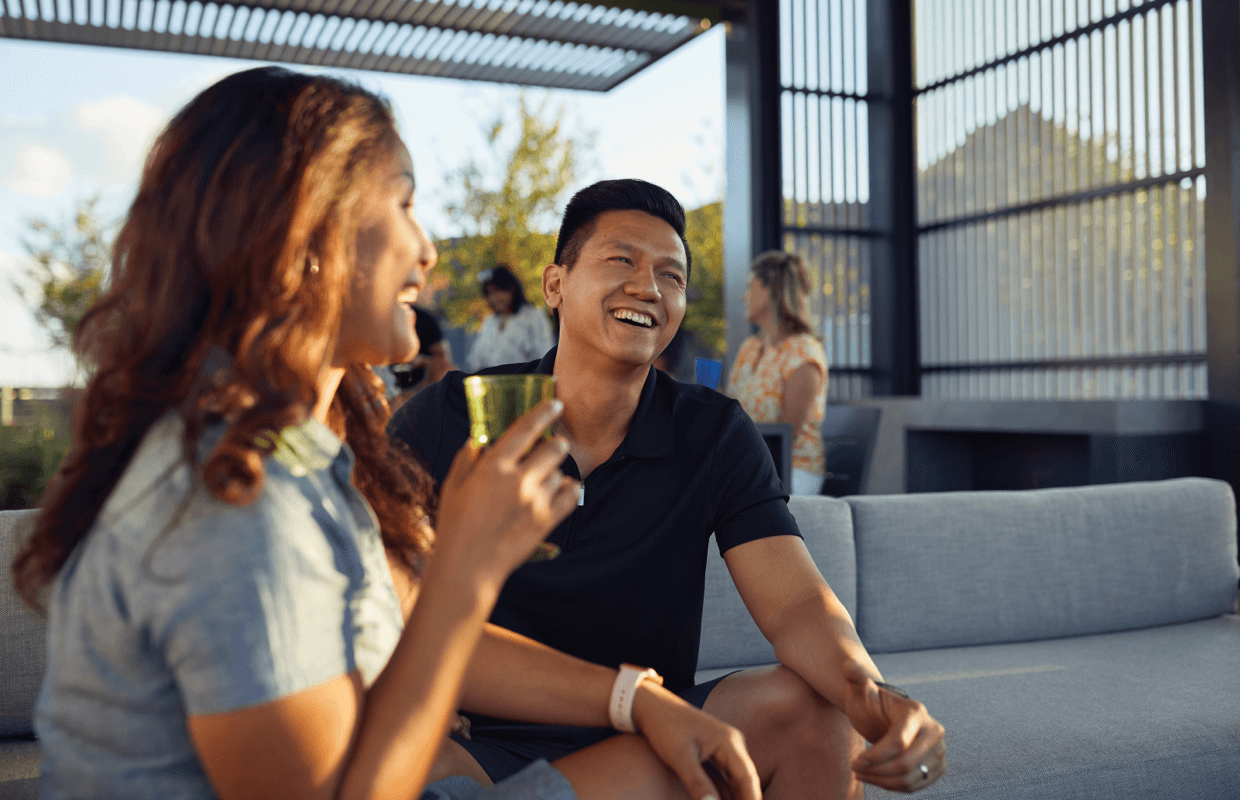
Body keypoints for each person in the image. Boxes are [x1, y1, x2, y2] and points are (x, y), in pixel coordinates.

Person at [10, 69, 762, 800]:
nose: (429, 251)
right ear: (305, 236)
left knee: (708, 757)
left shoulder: (301, 457)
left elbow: (403, 622)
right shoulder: (232, 502)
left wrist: (636, 700)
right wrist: (466, 569)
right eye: (404, 205)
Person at [389, 179, 947, 798]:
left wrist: (876, 700)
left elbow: (796, 605)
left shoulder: (714, 432)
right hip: (481, 741)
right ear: (555, 284)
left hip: (654, 733)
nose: (647, 288)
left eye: (671, 276)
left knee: (815, 712)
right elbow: (380, 602)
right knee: (407, 767)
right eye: (621, 260)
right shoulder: (448, 416)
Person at [726, 251, 828, 496]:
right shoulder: (750, 348)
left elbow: (786, 437)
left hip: (793, 470)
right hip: (747, 465)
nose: (745, 296)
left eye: (751, 287)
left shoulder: (803, 352)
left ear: (772, 290)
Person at [466, 264, 556, 371]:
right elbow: (476, 360)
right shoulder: (489, 322)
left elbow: (544, 357)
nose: (493, 298)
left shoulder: (533, 317)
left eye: (497, 291)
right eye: (489, 294)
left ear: (511, 289)